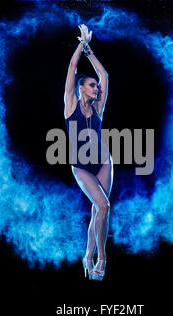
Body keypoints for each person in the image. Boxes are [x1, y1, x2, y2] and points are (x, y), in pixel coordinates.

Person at [64, 24, 113, 280]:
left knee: (99, 210)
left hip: (104, 162)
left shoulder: (98, 109)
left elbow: (104, 75)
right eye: (92, 86)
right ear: (81, 88)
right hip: (81, 167)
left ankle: (89, 256)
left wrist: (90, 51)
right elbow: (72, 69)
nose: (97, 88)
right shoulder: (70, 105)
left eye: (97, 87)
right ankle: (100, 258)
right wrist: (80, 44)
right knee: (103, 205)